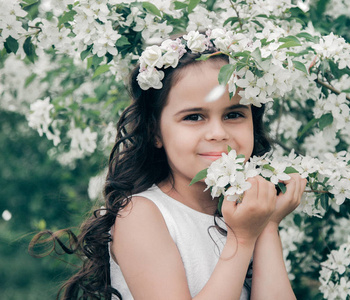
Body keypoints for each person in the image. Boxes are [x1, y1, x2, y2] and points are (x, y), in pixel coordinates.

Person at [30, 33, 307, 300]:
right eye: (194, 117)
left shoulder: (244, 214)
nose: (217, 133)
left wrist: (267, 225)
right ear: (155, 132)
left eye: (233, 114)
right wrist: (243, 239)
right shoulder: (142, 215)